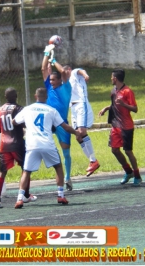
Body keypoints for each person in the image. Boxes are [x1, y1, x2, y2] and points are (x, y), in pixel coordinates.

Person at [12, 87, 82, 209]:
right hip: (47, 144)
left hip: (32, 144)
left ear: (35, 96)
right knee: (58, 167)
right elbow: (65, 127)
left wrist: (27, 124)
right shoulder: (51, 110)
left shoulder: (27, 109)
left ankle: (19, 199)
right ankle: (60, 195)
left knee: (26, 171)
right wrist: (77, 133)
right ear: (47, 97)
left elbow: (14, 122)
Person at [0, 87, 37, 209]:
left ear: (5, 97)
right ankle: (25, 195)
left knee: (2, 171)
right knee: (26, 169)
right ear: (16, 96)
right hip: (17, 144)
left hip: (4, 145)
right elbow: (24, 123)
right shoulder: (19, 108)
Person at [98, 69, 142, 185]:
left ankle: (137, 175)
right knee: (114, 150)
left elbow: (135, 109)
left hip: (126, 126)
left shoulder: (127, 91)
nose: (111, 79)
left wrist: (123, 104)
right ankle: (128, 171)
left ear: (115, 78)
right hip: (115, 125)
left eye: (112, 77)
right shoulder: (113, 91)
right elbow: (114, 104)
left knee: (128, 151)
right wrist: (106, 108)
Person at [41, 43, 73, 191]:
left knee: (66, 151)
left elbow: (64, 73)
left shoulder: (66, 86)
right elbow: (43, 69)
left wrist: (53, 61)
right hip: (49, 121)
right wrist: (46, 53)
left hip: (61, 123)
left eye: (54, 80)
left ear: (60, 80)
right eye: (51, 80)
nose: (51, 82)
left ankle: (67, 177)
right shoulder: (49, 87)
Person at [69, 66, 100, 177]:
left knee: (82, 131)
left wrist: (85, 75)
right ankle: (93, 161)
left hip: (81, 104)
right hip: (73, 108)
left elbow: (80, 70)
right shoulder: (65, 82)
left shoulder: (73, 73)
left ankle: (93, 161)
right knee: (78, 136)